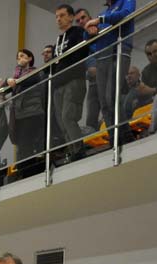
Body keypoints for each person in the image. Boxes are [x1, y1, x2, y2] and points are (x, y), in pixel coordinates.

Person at [85, 0, 136, 143]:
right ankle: (114, 138)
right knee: (104, 103)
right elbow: (89, 40)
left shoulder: (126, 1)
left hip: (118, 52)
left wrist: (99, 20)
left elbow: (126, 14)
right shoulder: (104, 13)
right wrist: (89, 33)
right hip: (102, 58)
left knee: (111, 97)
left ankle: (126, 136)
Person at [52, 4, 88, 161]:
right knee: (61, 122)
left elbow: (82, 53)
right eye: (56, 16)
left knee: (68, 116)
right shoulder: (58, 40)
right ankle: (72, 151)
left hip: (74, 79)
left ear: (71, 17)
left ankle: (79, 149)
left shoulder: (78, 32)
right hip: (58, 84)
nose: (58, 19)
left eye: (62, 15)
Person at [6, 49, 45, 167]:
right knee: (22, 144)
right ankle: (23, 168)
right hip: (19, 114)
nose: (19, 59)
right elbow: (4, 87)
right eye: (18, 57)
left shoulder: (35, 71)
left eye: (22, 56)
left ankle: (29, 168)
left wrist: (16, 80)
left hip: (32, 112)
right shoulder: (16, 76)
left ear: (30, 58)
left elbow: (29, 80)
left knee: (27, 142)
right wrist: (8, 80)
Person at [75, 8, 101, 132]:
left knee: (109, 108)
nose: (81, 21)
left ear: (90, 18)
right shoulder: (79, 40)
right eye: (77, 20)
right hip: (92, 83)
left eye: (83, 17)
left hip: (107, 76)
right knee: (91, 118)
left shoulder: (101, 29)